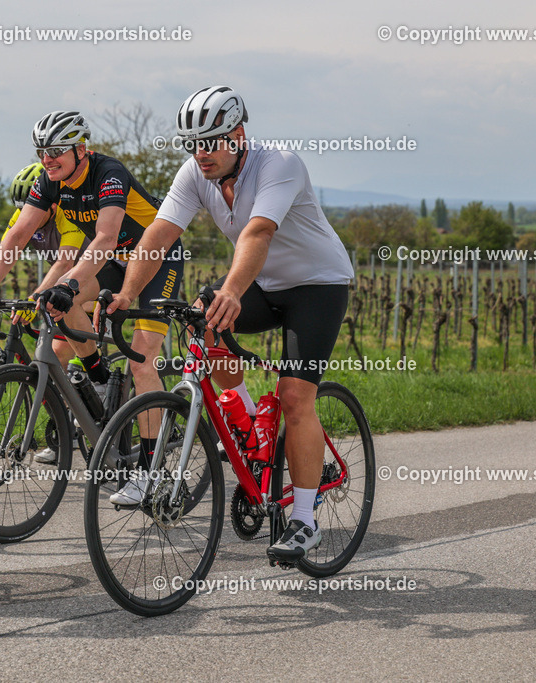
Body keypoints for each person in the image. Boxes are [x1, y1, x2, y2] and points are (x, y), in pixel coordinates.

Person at [100, 86, 354, 562]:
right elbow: (159, 233)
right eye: (192, 144)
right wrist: (129, 293)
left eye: (212, 142)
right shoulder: (196, 173)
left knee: (296, 397)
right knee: (203, 318)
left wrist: (233, 291)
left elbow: (258, 232)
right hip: (263, 282)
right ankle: (245, 428)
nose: (202, 154)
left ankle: (302, 519)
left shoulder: (280, 164)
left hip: (317, 284)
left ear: (238, 135)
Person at [0, 111, 183, 503]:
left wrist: (69, 283)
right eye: (41, 151)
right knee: (56, 303)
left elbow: (104, 237)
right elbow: (16, 235)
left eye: (56, 151)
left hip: (156, 259)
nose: (47, 159)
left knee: (141, 361)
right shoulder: (49, 182)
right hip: (115, 263)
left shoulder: (109, 173)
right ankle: (99, 376)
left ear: (81, 149)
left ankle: (151, 473)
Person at [0, 161, 90, 463]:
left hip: (91, 280)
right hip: (61, 290)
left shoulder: (70, 214)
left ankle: (99, 389)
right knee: (50, 364)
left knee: (62, 340)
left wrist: (35, 297)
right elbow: (2, 252)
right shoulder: (24, 214)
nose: (27, 215)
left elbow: (65, 264)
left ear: (51, 205)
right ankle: (65, 430)